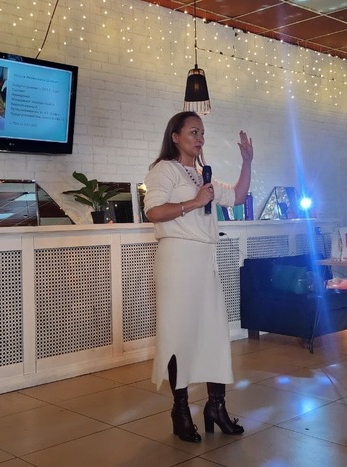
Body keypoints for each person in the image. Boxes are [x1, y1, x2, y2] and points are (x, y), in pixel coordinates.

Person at [143, 111, 253, 443]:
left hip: (205, 259)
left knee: (213, 331)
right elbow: (153, 211)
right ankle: (180, 412)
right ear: (175, 136)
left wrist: (247, 161)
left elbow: (237, 196)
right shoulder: (164, 169)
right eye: (193, 131)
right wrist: (194, 202)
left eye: (202, 132)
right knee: (179, 333)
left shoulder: (202, 176)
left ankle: (216, 407)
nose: (200, 138)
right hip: (177, 258)